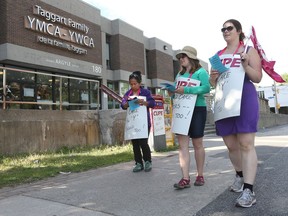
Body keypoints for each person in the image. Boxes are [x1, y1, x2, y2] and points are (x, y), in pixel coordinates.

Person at [209, 19, 262, 208]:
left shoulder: (248, 50)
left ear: (239, 31)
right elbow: (212, 84)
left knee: (246, 144)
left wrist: (246, 65)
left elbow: (257, 77)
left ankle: (249, 190)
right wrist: (213, 78)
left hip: (245, 98)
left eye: (229, 28)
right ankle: (240, 175)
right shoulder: (217, 56)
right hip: (225, 102)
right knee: (231, 145)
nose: (225, 31)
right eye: (222, 28)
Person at [171, 46, 210, 189]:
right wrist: (172, 92)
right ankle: (185, 178)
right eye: (180, 57)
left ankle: (200, 175)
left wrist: (186, 89)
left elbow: (206, 88)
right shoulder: (179, 75)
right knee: (182, 146)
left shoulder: (201, 72)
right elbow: (177, 91)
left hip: (197, 109)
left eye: (184, 56)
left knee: (197, 143)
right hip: (182, 110)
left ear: (192, 57)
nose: (181, 59)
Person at [121, 71, 156, 172]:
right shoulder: (128, 94)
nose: (133, 86)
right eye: (131, 84)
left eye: (135, 84)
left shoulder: (145, 92)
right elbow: (122, 105)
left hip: (144, 123)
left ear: (139, 83)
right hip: (132, 123)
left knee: (143, 143)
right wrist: (126, 104)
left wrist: (144, 102)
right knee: (135, 144)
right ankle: (138, 163)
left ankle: (148, 161)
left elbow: (152, 103)